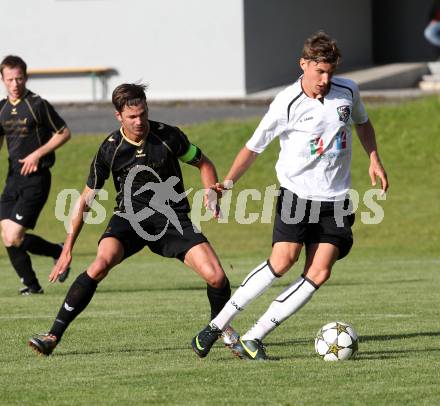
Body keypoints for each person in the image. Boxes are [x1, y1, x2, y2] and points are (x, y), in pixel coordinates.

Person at [192, 31, 389, 360]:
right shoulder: (286, 102)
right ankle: (217, 324)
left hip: (336, 201)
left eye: (330, 72)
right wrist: (226, 183)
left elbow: (363, 124)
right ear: (304, 65)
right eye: (319, 71)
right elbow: (253, 148)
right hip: (297, 195)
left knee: (319, 272)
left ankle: (254, 336)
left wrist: (374, 158)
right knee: (282, 261)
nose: (325, 79)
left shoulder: (348, 91)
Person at [28, 83, 236, 356]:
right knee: (100, 264)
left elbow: (204, 163)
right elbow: (85, 200)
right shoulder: (110, 149)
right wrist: (67, 249)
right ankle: (52, 335)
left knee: (217, 277)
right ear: (119, 116)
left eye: (143, 114)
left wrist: (210, 191)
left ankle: (219, 329)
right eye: (132, 117)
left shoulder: (167, 137)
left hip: (172, 219)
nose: (140, 122)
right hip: (129, 219)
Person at [0, 55, 72, 295]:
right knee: (7, 236)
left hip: (36, 179)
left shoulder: (37, 105)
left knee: (14, 234)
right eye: (10, 79)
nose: (15, 84)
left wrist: (36, 154)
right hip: (13, 179)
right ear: (2, 79)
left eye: (19, 78)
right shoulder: (1, 109)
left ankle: (58, 251)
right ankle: (31, 285)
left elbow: (63, 133)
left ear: (26, 77)